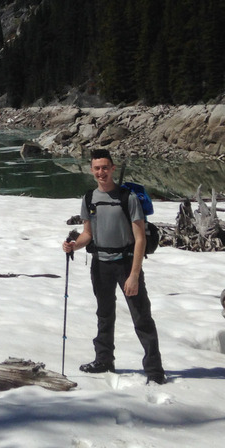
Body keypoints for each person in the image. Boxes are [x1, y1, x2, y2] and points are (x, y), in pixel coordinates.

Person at [62, 148, 167, 384]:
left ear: (112, 168)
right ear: (92, 170)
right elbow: (88, 234)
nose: (101, 172)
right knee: (104, 314)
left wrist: (134, 275)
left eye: (105, 168)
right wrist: (73, 246)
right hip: (100, 265)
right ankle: (104, 360)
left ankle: (155, 371)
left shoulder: (127, 198)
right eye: (97, 168)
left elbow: (140, 238)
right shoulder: (89, 199)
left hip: (126, 263)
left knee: (141, 318)